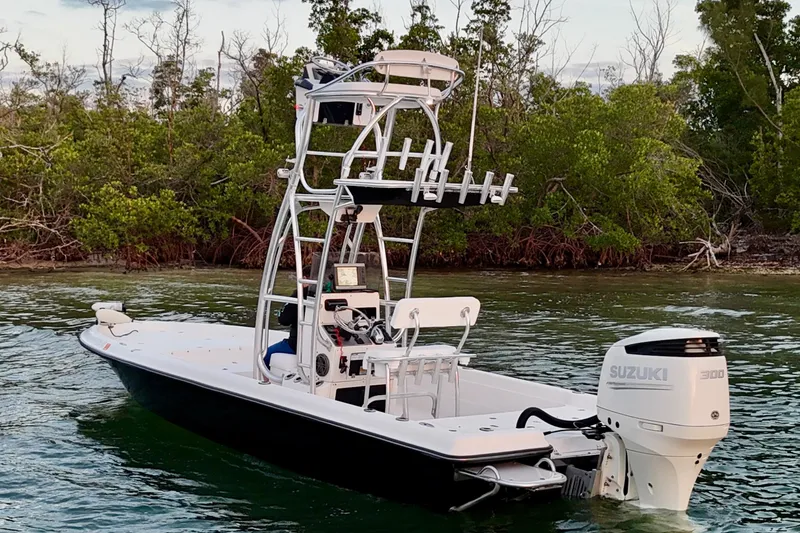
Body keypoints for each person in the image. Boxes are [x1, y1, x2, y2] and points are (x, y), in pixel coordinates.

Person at [264, 262, 334, 369]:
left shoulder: (299, 296)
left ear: (305, 279)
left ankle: (266, 379)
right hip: (324, 344)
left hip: (297, 344)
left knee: (265, 356)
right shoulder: (330, 294)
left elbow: (283, 319)